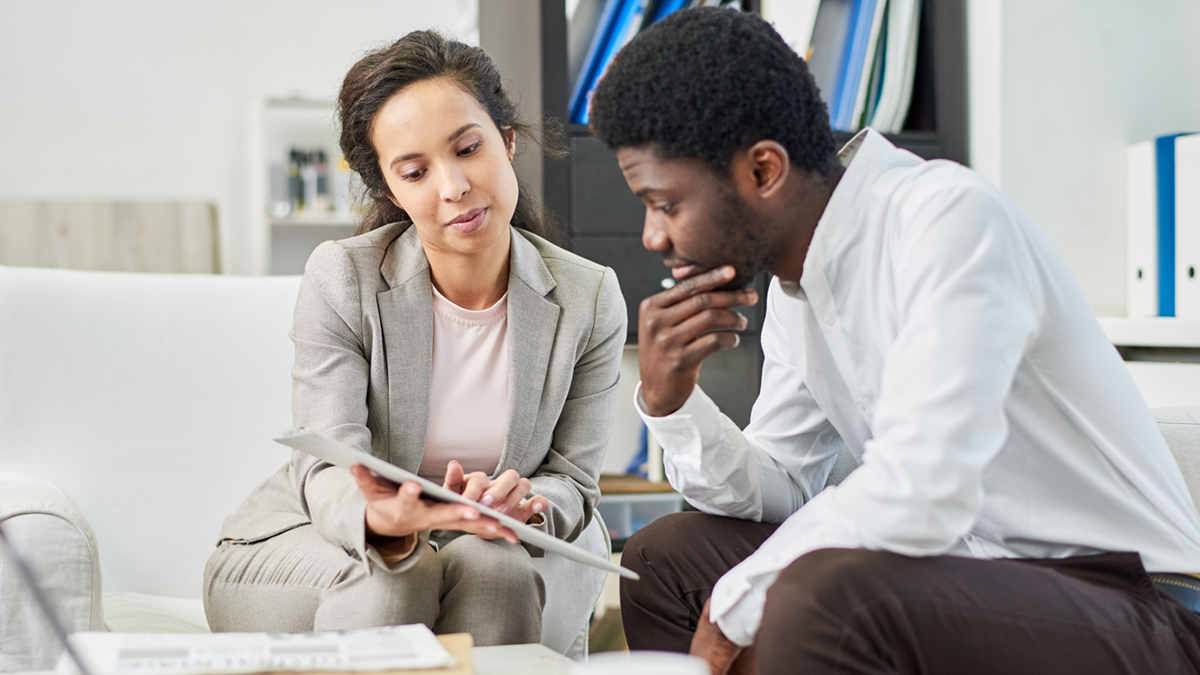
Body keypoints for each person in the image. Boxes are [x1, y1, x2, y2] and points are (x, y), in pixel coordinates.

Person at [588, 7, 1200, 675]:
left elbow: (925, 487)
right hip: (967, 573)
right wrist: (670, 402)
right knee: (663, 561)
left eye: (665, 203)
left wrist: (737, 599)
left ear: (764, 171)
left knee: (820, 600)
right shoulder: (799, 284)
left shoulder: (947, 218)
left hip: (1139, 600)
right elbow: (789, 482)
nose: (654, 236)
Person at [203, 30, 626, 647]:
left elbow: (574, 482)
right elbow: (325, 462)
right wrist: (380, 519)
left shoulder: (588, 297)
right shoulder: (342, 277)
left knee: (501, 570)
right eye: (416, 171)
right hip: (305, 544)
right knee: (399, 571)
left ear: (506, 142)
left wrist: (527, 501)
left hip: (472, 544)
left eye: (469, 148)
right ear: (389, 190)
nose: (453, 186)